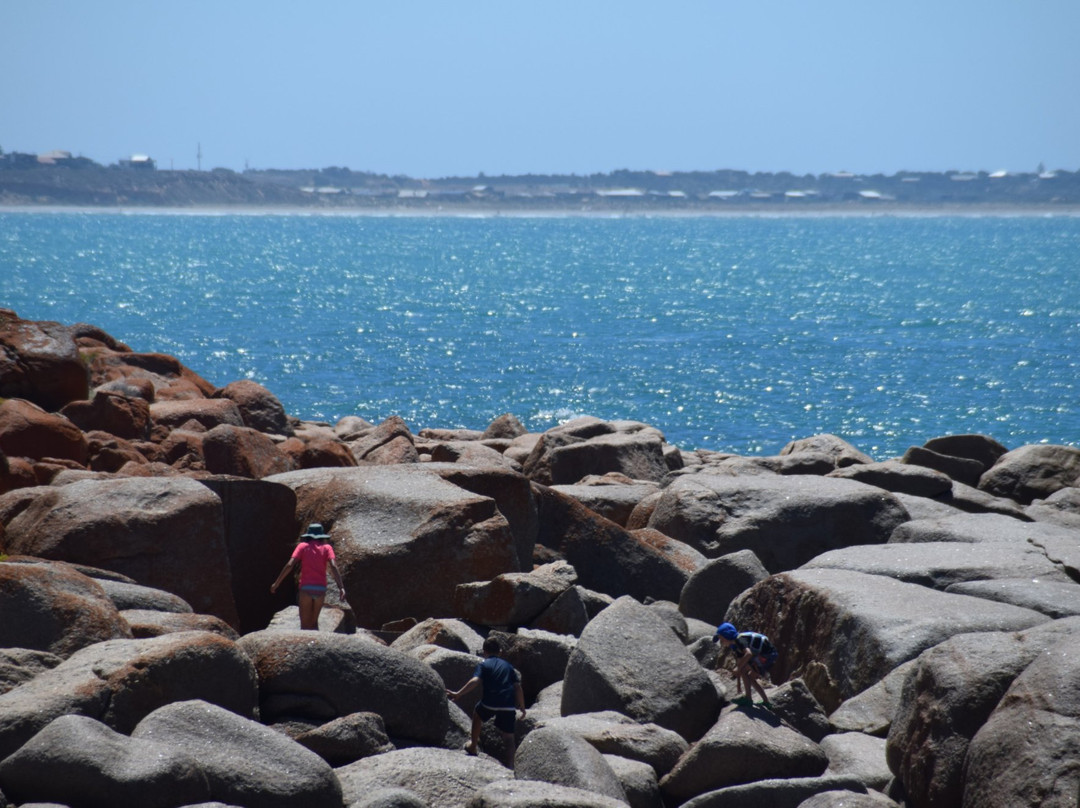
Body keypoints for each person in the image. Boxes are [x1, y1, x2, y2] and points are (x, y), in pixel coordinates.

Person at [446, 637, 527, 766]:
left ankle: (473, 745)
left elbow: (475, 681)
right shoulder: (509, 667)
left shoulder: (484, 664)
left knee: (478, 714)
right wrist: (522, 706)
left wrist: (459, 693)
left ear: (484, 652)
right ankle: (511, 766)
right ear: (500, 652)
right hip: (508, 704)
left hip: (490, 701)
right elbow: (517, 687)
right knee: (509, 737)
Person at [270, 522, 347, 631]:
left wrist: (277, 583)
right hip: (320, 589)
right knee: (314, 624)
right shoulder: (327, 548)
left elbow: (290, 565)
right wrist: (341, 587)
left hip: (306, 588)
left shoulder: (302, 546)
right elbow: (334, 566)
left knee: (305, 626)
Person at [712, 621, 778, 709]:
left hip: (767, 655)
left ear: (727, 635)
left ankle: (748, 699)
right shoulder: (735, 646)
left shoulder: (740, 640)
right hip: (763, 656)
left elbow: (749, 654)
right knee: (749, 675)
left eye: (721, 639)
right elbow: (740, 664)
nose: (721, 642)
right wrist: (738, 686)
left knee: (748, 674)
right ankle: (765, 702)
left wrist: (738, 668)